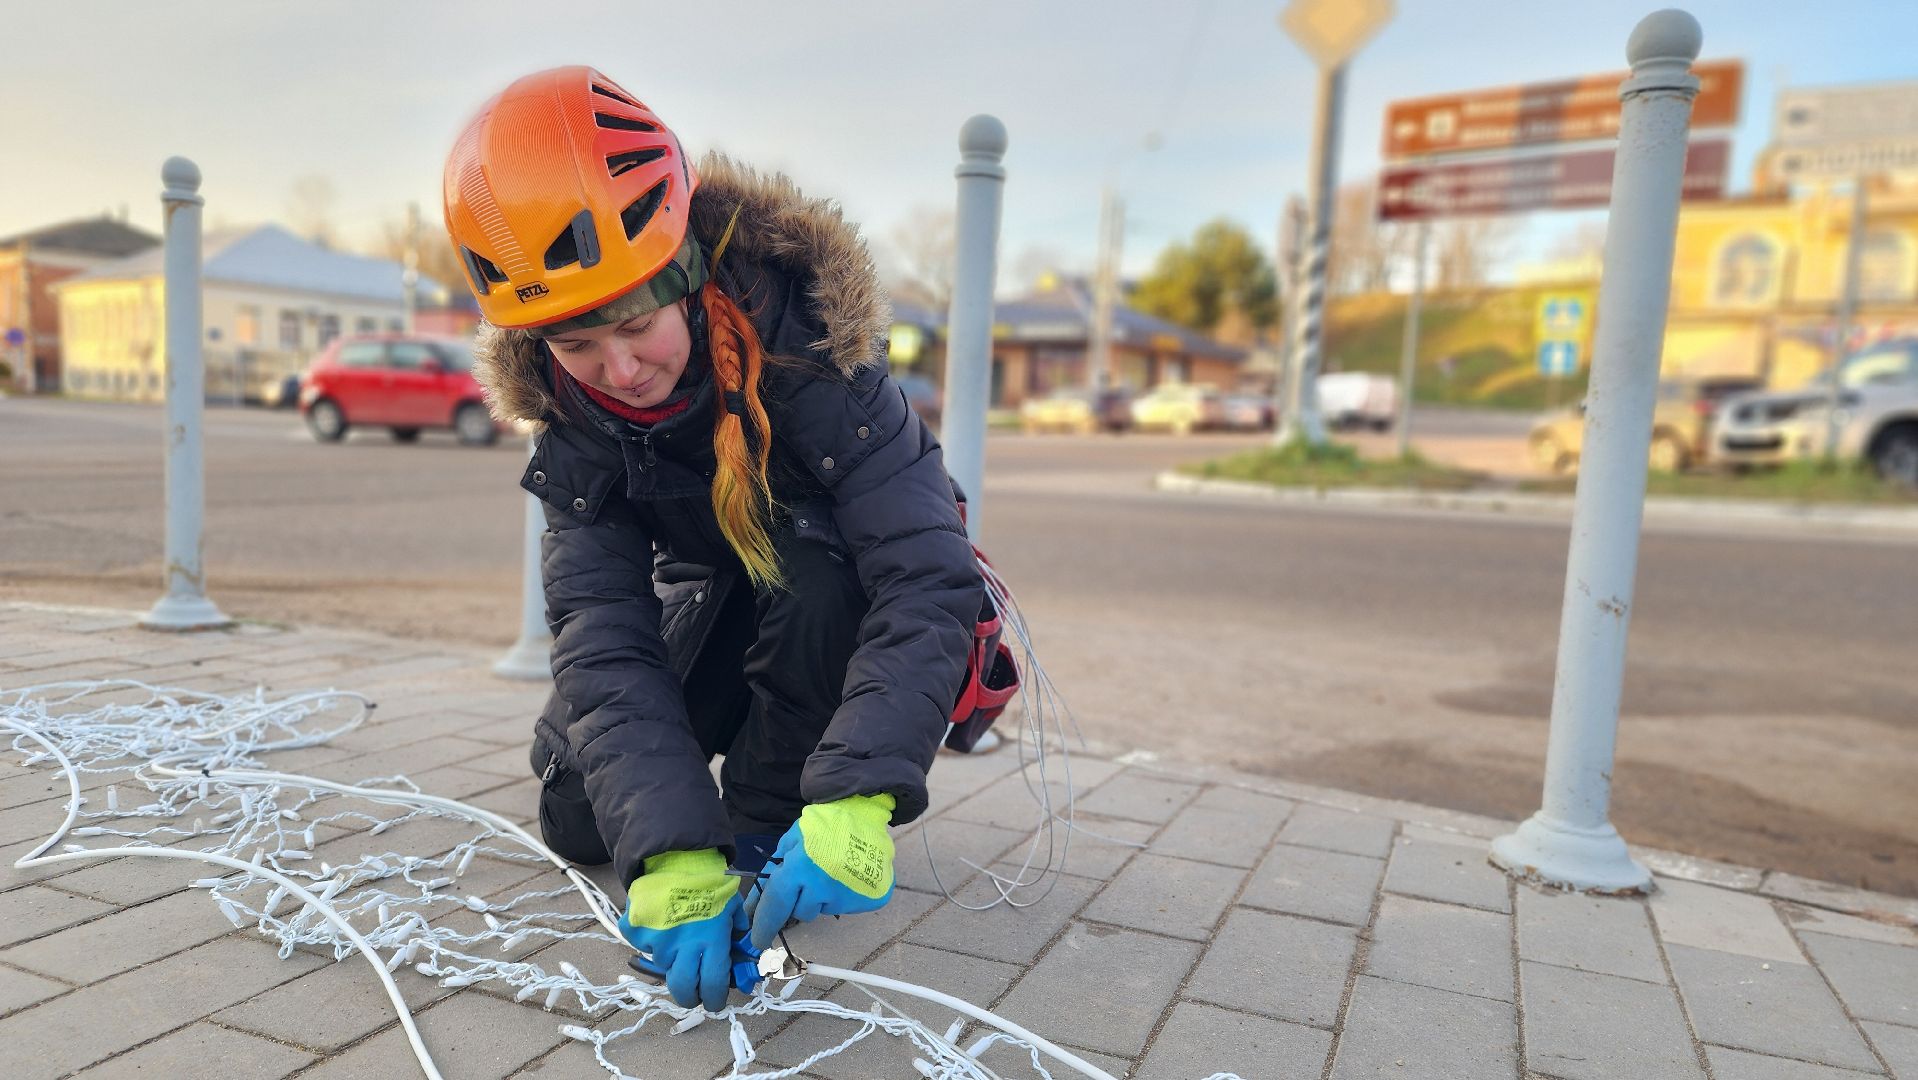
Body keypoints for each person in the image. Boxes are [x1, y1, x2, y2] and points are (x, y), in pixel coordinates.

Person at [442, 67, 984, 1013]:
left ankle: (773, 825)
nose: (620, 370)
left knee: (823, 580)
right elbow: (602, 632)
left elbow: (929, 585)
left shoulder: (820, 359)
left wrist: (858, 792)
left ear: (687, 278)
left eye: (635, 324)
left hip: (827, 605)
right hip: (710, 602)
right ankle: (711, 827)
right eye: (577, 347)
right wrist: (667, 848)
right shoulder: (572, 422)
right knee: (580, 817)